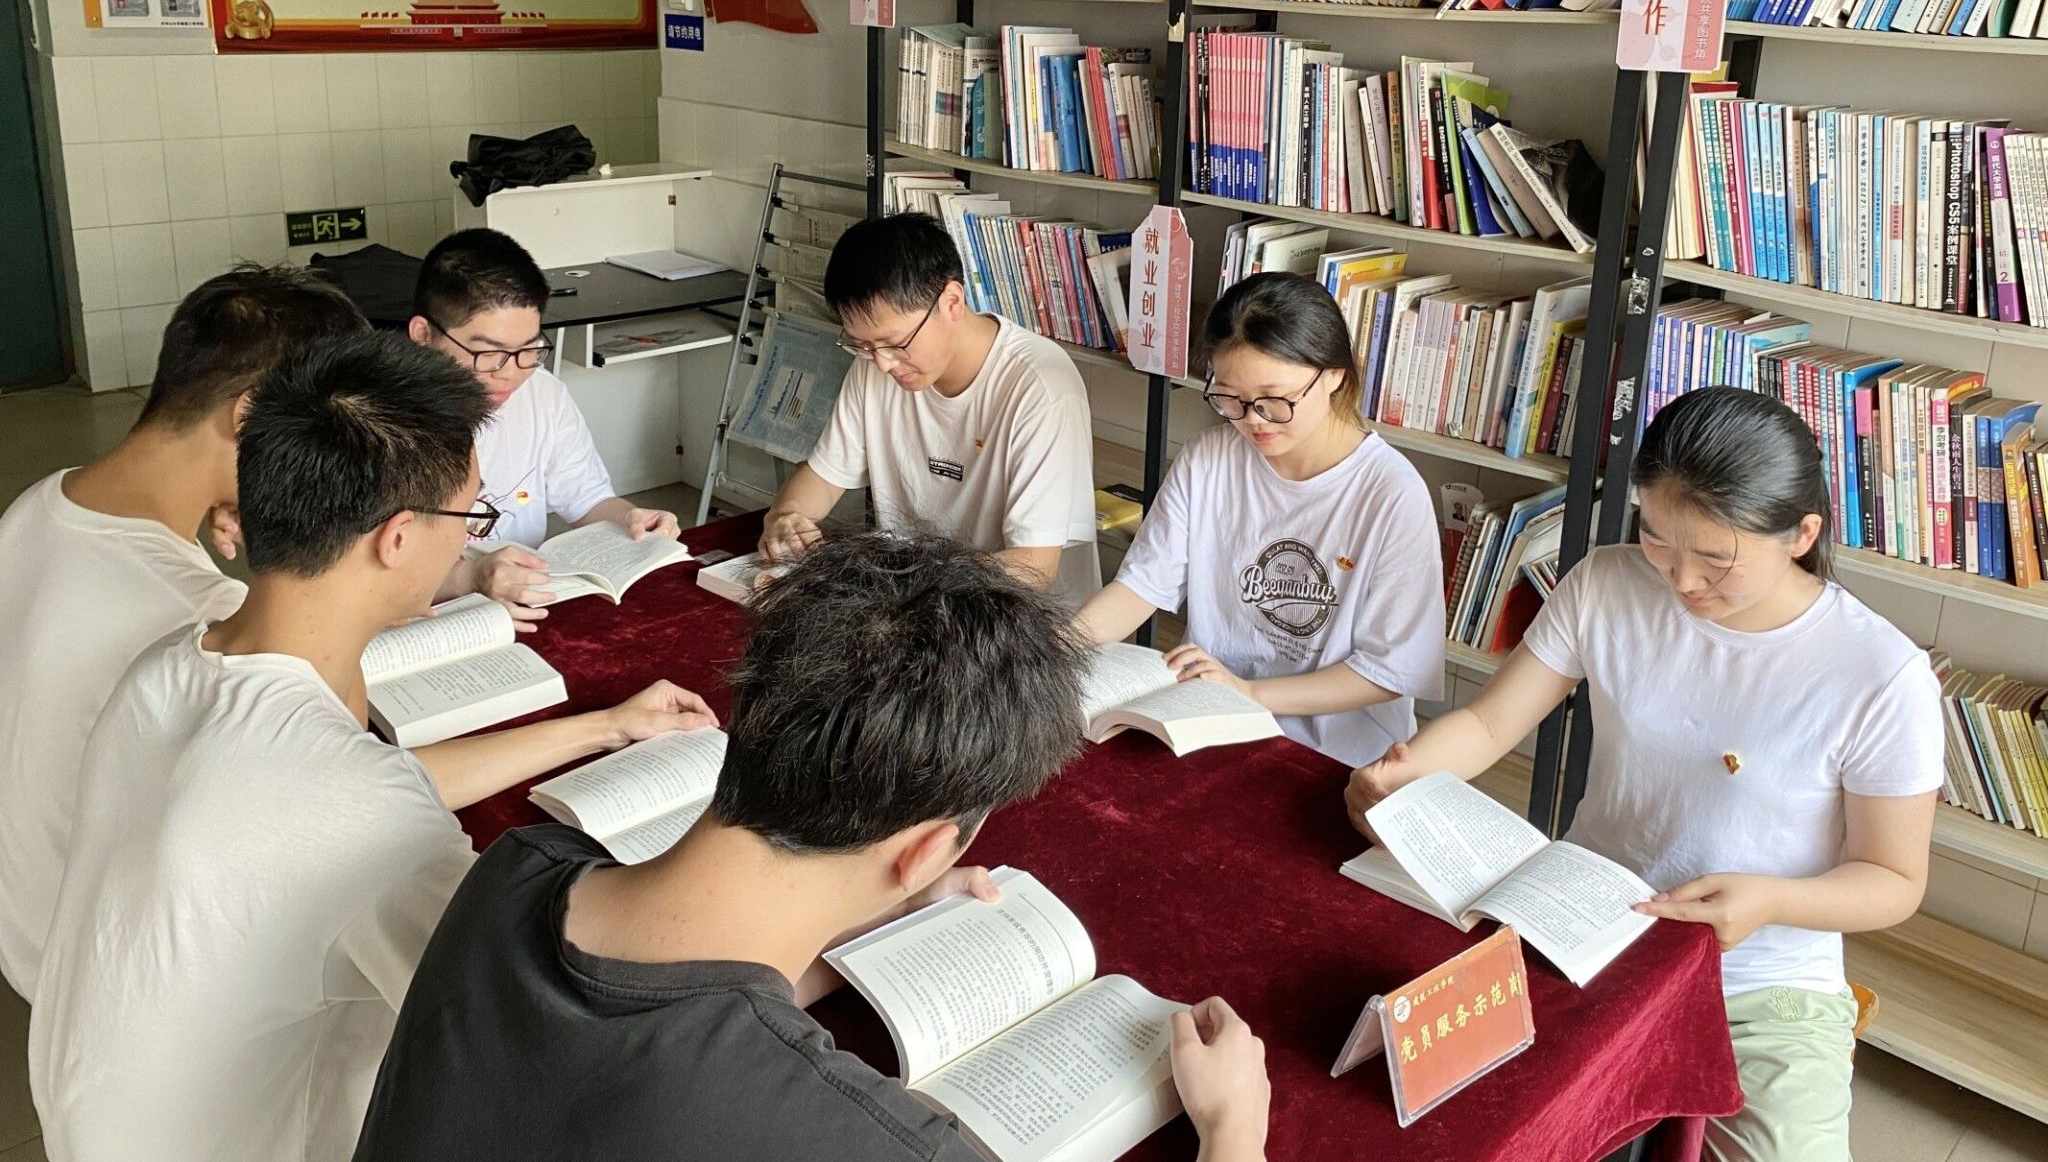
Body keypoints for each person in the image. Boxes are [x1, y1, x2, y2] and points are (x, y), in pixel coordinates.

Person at [352, 531, 1271, 1162]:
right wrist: (1234, 1131)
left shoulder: (520, 866)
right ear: (927, 851)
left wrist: (856, 929)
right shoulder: (868, 1138)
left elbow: (647, 1028)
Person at [28, 331, 716, 1162]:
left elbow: (353, 789)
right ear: (396, 538)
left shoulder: (171, 666)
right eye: (471, 519)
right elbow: (549, 1026)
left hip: (96, 1118)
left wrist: (605, 728)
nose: (470, 542)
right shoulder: (346, 801)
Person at [1343, 386, 1942, 1162]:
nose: (1682, 581)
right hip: (1582, 931)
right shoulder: (1606, 583)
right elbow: (1490, 724)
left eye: (1716, 559)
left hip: (1758, 983)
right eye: (1657, 539)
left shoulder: (1879, 675)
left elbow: (1893, 878)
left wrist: (1771, 899)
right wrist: (1407, 774)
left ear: (1802, 534)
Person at [0, 264, 365, 1002]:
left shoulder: (44, 500)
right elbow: (339, 774)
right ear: (250, 414)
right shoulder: (197, 609)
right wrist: (299, 566)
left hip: (26, 925)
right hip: (108, 977)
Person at [1073, 273, 1444, 767]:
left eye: (1274, 399)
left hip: (1333, 753)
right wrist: (1054, 651)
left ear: (1334, 375)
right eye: (1230, 398)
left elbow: (1389, 672)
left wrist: (1250, 693)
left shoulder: (1391, 494)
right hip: (1209, 719)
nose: (1253, 420)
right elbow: (1140, 587)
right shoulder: (1210, 457)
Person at [760, 213, 1100, 610]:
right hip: (917, 608)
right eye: (862, 345)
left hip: (1022, 621)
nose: (882, 363)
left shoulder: (1040, 386)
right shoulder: (875, 366)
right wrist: (786, 517)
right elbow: (822, 476)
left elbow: (1034, 567)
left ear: (951, 302)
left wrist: (902, 581)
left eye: (895, 343)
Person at [408, 228, 680, 628]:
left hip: (525, 609)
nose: (510, 373)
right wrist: (469, 578)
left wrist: (632, 519)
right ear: (422, 335)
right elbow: (353, 580)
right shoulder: (376, 421)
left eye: (530, 350)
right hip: (423, 624)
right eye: (489, 354)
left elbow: (587, 499)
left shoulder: (542, 394)